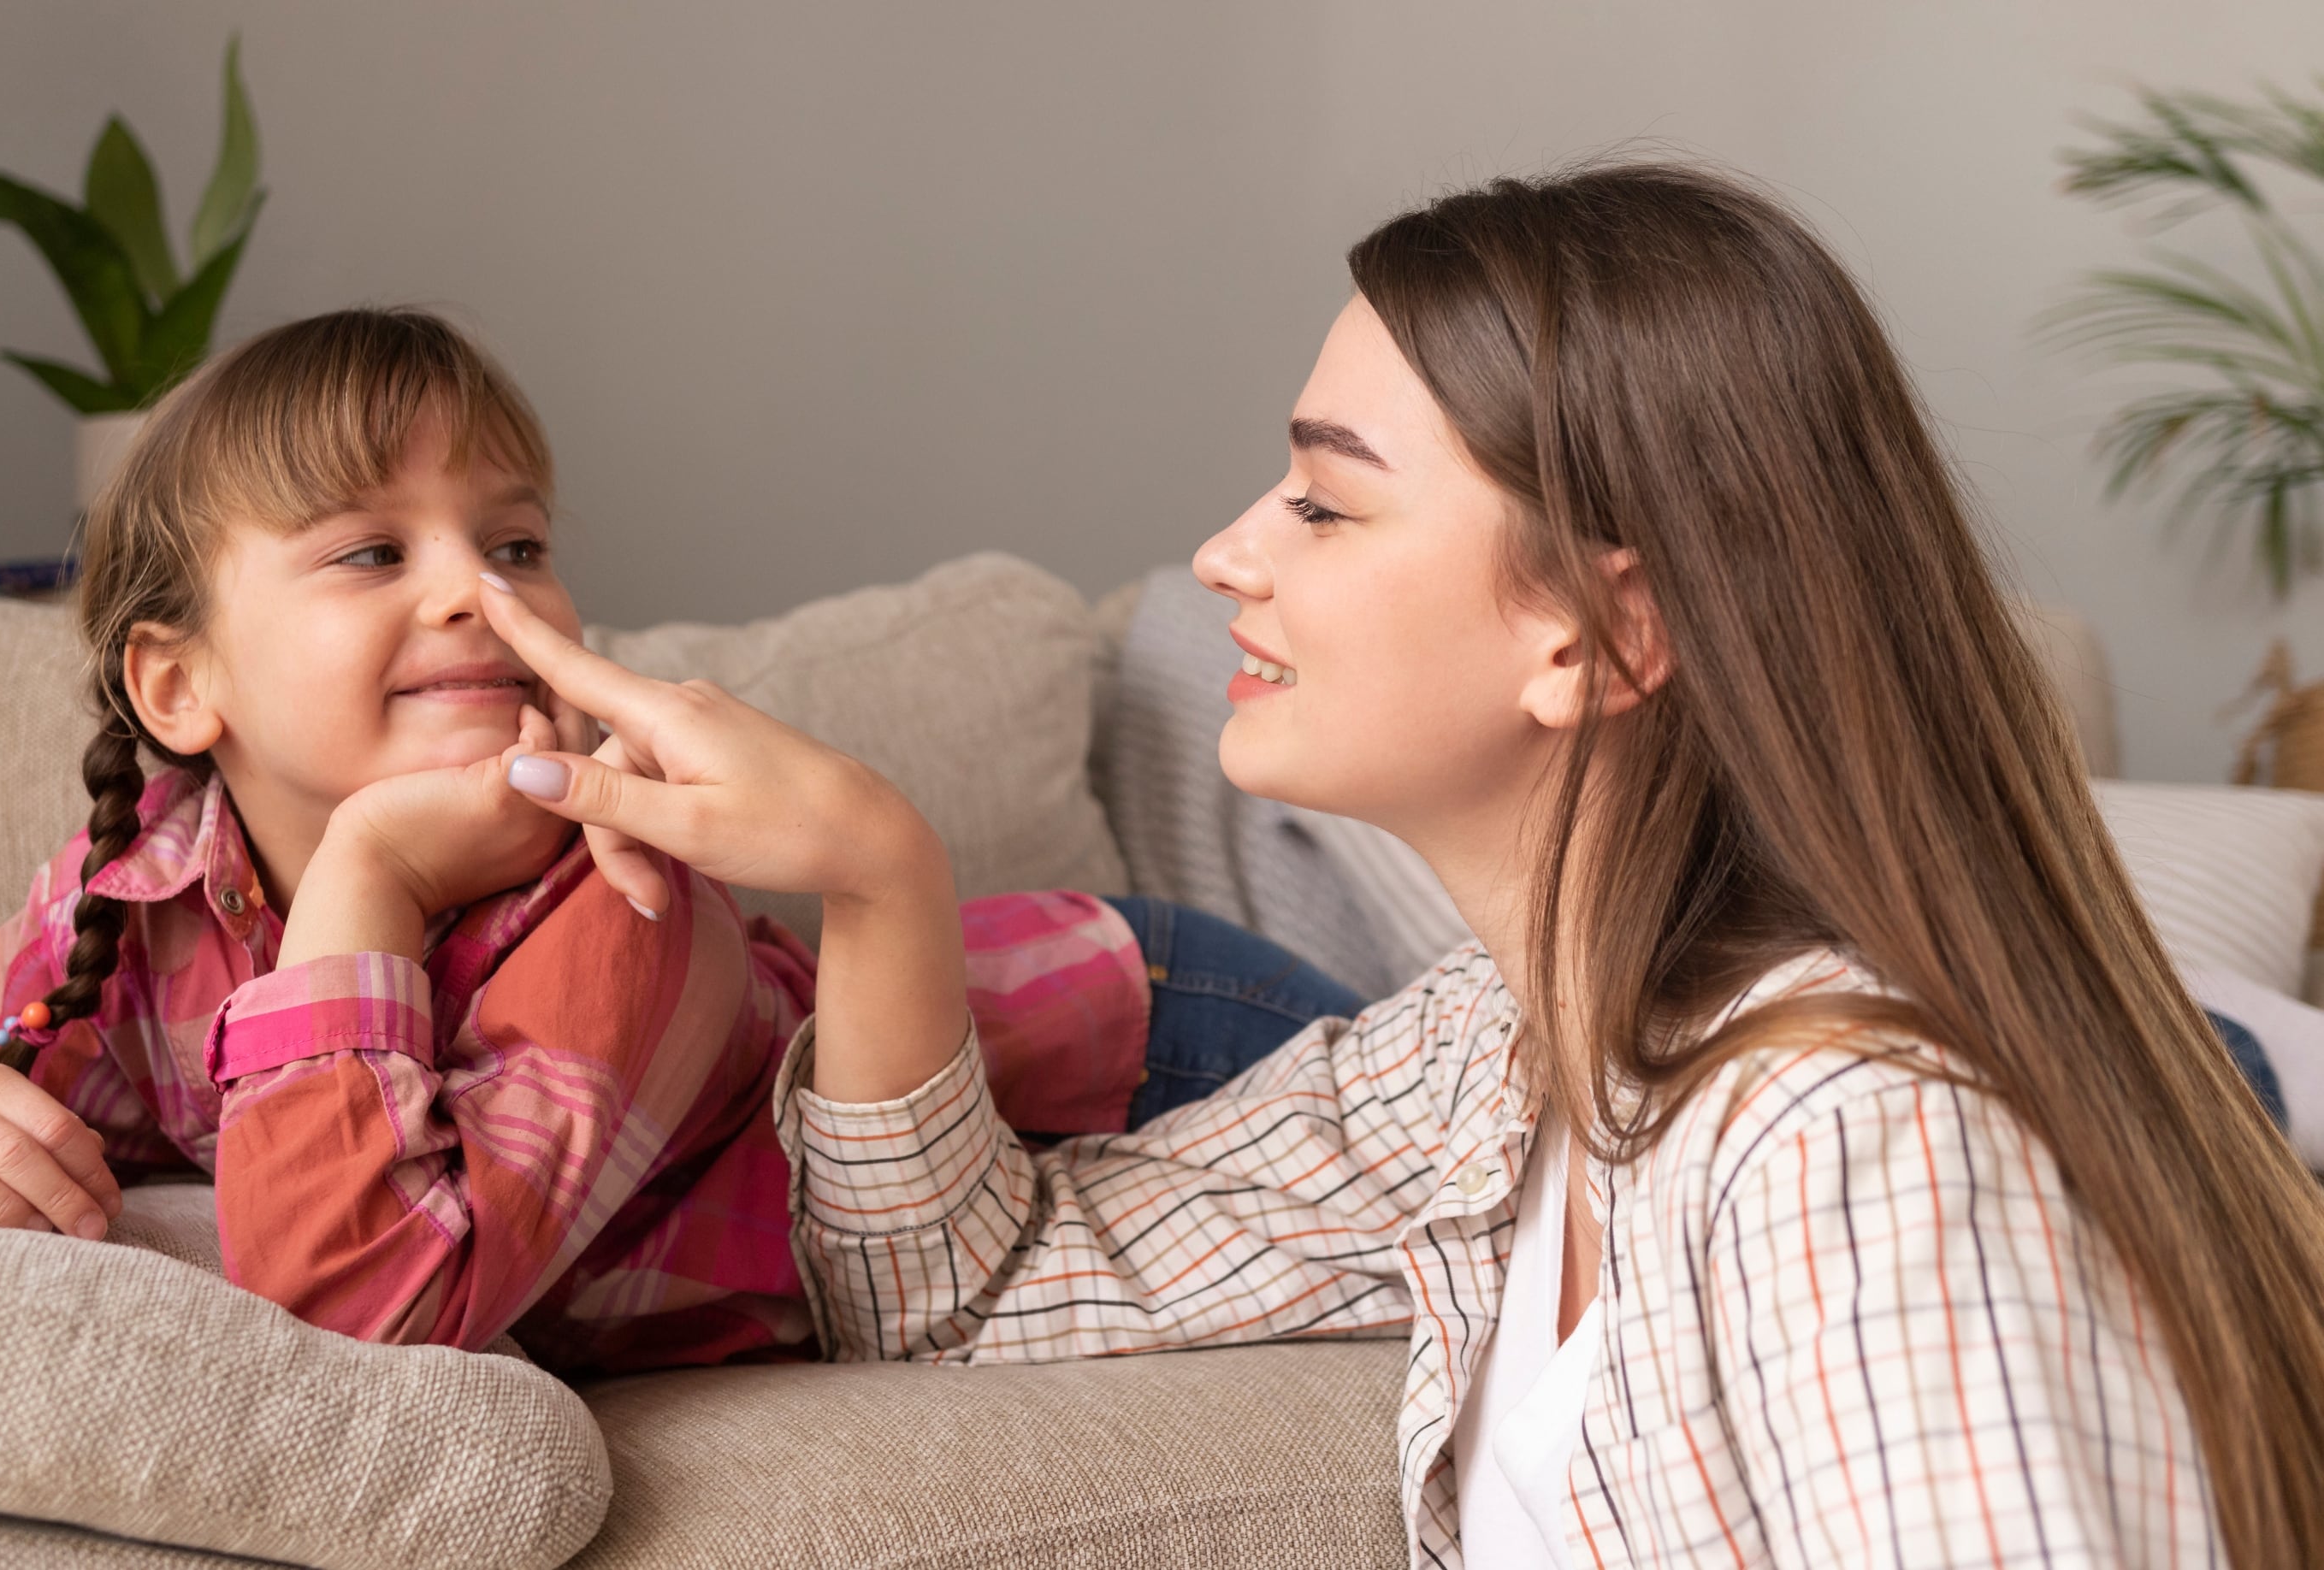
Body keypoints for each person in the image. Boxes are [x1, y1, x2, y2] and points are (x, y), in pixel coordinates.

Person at [469, 164, 2324, 1565]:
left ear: (1596, 638)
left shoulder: (1857, 1144)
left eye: (1327, 501)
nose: (1225, 553)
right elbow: (963, 1304)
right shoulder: (1491, 1067)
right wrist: (879, 879)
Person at [0, 308, 1357, 1378]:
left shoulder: (623, 890)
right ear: (178, 683)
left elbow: (375, 1305)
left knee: (1545, 1104)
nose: (480, 594)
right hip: (1077, 1065)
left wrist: (368, 873)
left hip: (1134, 1034)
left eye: (515, 541)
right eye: (372, 550)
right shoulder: (129, 904)